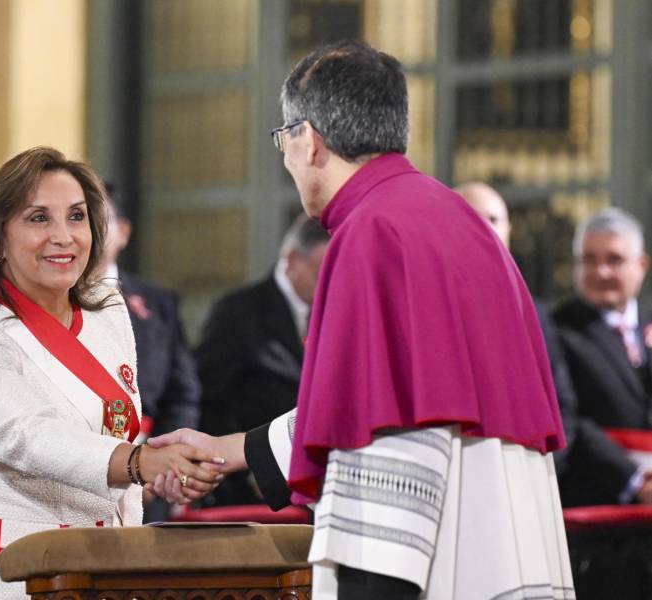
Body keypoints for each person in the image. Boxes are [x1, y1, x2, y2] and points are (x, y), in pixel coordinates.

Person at [149, 41, 574, 600]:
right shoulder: (458, 221)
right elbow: (384, 398)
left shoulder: (371, 233)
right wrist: (234, 449)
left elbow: (386, 432)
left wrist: (369, 584)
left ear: (309, 139)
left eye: (283, 140)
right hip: (501, 540)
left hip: (434, 559)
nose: (285, 158)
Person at [0, 147, 221, 600]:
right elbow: (30, 438)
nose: (63, 236)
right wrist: (141, 463)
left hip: (94, 576)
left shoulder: (109, 313)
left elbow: (110, 430)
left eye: (77, 216)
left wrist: (162, 468)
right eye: (39, 218)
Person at [197, 213, 329, 506]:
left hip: (311, 485)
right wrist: (250, 466)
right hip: (246, 490)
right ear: (293, 261)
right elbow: (208, 398)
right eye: (323, 272)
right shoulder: (239, 313)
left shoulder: (337, 311)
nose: (331, 283)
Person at [454, 181, 578, 476]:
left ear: (509, 230)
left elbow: (561, 408)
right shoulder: (423, 306)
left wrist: (538, 471)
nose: (483, 228)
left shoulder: (535, 314)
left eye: (493, 219)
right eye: (470, 216)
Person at [100, 189, 201, 521]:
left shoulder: (157, 302)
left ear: (124, 231)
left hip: (153, 475)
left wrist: (157, 462)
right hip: (84, 472)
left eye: (102, 218)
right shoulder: (54, 300)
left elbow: (182, 392)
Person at [552, 207, 652, 506]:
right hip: (599, 500)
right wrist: (635, 480)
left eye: (614, 260)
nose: (601, 272)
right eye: (589, 260)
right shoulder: (558, 328)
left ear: (641, 265)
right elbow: (568, 418)